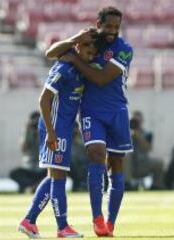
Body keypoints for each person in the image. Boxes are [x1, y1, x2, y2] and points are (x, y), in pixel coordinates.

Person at [46, 6, 133, 237]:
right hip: (91, 112)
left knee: (116, 165)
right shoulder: (88, 40)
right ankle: (97, 218)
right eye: (108, 26)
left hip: (117, 111)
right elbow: (50, 53)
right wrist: (74, 41)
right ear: (98, 24)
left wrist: (74, 59)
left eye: (117, 27)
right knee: (96, 154)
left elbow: (102, 79)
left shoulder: (124, 49)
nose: (112, 31)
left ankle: (111, 221)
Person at [18, 39, 100, 239]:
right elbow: (44, 98)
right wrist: (51, 131)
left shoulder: (78, 69)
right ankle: (62, 227)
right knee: (59, 178)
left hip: (63, 128)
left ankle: (29, 221)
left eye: (93, 55)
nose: (90, 58)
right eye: (88, 52)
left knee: (54, 177)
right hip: (54, 129)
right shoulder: (64, 69)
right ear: (78, 47)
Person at [126, 111, 164, 190]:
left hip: (143, 163)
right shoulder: (124, 133)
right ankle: (127, 184)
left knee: (159, 163)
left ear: (142, 121)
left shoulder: (147, 133)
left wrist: (138, 135)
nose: (135, 123)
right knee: (126, 156)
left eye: (137, 121)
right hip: (128, 165)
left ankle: (156, 186)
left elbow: (148, 149)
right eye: (133, 121)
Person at [9, 111, 47, 193]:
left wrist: (42, 131)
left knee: (52, 172)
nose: (35, 125)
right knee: (14, 173)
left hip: (42, 168)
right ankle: (33, 186)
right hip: (29, 168)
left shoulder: (45, 132)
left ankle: (33, 186)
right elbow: (23, 148)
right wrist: (27, 131)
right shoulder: (27, 133)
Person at [69, 122, 88, 192]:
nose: (74, 131)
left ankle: (83, 184)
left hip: (82, 166)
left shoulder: (82, 141)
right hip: (71, 169)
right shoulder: (66, 141)